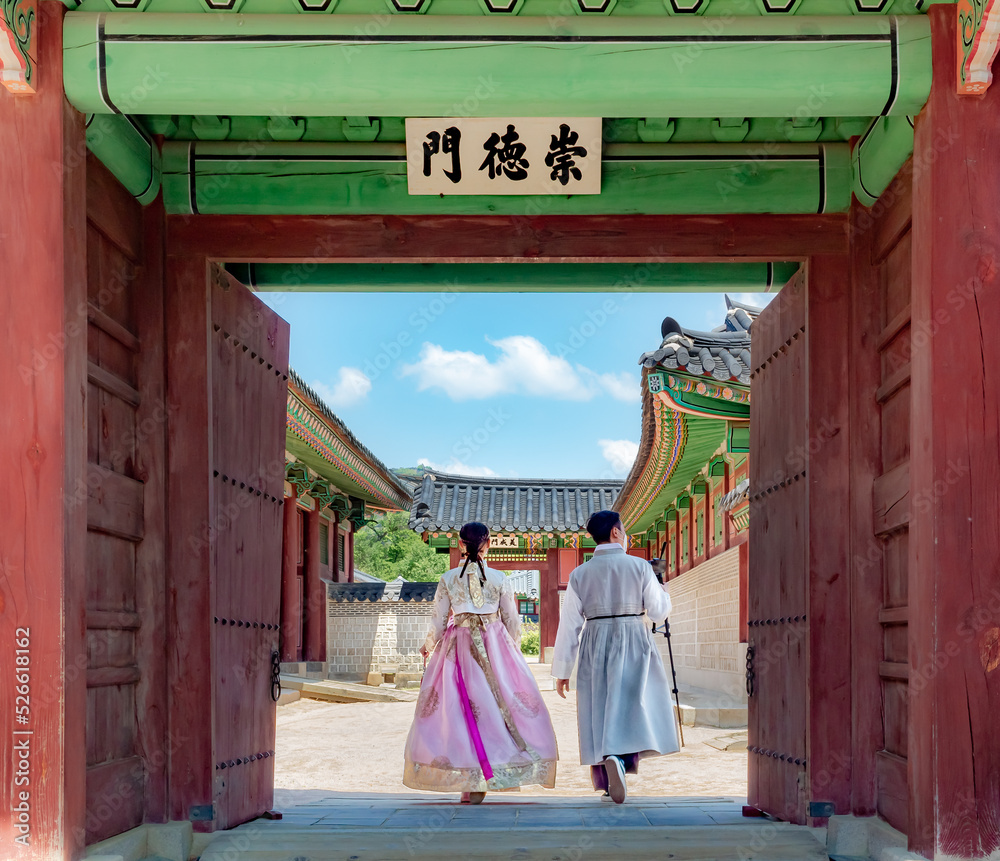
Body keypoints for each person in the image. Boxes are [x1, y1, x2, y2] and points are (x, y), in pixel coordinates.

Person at [403, 522, 558, 803]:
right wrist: (513, 653)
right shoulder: (500, 579)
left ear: (461, 544)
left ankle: (471, 779)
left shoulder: (449, 578)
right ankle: (490, 772)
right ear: (488, 544)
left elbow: (437, 621)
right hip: (494, 644)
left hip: (457, 647)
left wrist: (428, 647)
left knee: (460, 711)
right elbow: (512, 620)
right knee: (493, 710)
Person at [551, 510, 679, 804]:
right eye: (625, 529)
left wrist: (562, 671)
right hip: (633, 635)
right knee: (633, 705)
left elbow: (569, 624)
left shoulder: (579, 574)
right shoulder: (639, 567)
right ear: (616, 533)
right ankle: (620, 759)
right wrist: (662, 588)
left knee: (602, 705)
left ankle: (610, 766)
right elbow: (658, 612)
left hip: (595, 638)